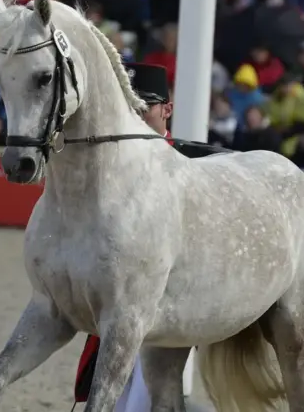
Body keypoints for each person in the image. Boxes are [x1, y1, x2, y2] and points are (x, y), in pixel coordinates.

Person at [74, 62, 223, 412]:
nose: (138, 114)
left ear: (167, 109)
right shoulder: (105, 169)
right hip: (115, 313)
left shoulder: (193, 161)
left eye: (146, 106)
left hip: (166, 315)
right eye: (131, 106)